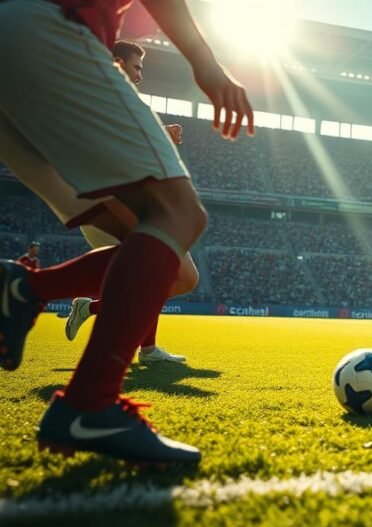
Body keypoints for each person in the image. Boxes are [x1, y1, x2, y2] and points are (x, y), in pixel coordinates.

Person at [0, 0, 254, 465]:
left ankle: (27, 289)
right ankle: (89, 402)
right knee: (179, 214)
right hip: (50, 27)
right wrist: (205, 64)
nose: (137, 71)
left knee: (170, 259)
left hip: (19, 43)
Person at [63, 40, 194, 364]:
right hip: (110, 204)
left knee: (180, 277)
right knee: (170, 273)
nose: (139, 75)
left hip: (132, 204)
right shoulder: (97, 95)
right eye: (136, 67)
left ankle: (98, 314)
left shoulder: (122, 100)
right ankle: (38, 289)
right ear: (118, 62)